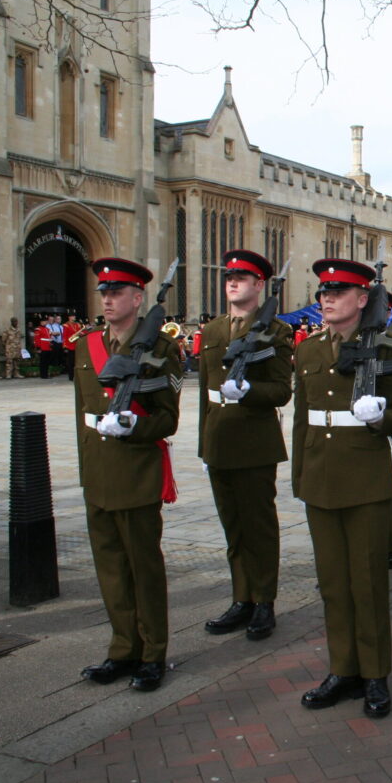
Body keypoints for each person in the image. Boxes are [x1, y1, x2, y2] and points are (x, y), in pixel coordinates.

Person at [292, 259, 392, 718]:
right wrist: (300, 476)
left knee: (367, 583)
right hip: (320, 480)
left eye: (339, 291)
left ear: (363, 299)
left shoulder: (387, 347)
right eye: (323, 290)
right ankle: (343, 669)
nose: (327, 297)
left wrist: (381, 416)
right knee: (333, 585)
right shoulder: (307, 350)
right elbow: (304, 420)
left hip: (366, 479)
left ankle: (376, 673)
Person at [75, 257, 181, 693]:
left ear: (138, 298)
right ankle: (123, 649)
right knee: (111, 570)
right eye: (104, 292)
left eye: (116, 292)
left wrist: (134, 426)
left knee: (143, 568)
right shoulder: (86, 346)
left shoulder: (161, 349)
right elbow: (81, 413)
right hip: (98, 473)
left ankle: (153, 653)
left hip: (137, 473)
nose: (107, 299)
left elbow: (167, 420)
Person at [198, 250, 294, 642]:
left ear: (259, 285)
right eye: (229, 276)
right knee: (232, 527)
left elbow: (281, 391)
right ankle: (242, 598)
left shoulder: (276, 331)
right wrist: (204, 444)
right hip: (219, 438)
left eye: (243, 277)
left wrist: (249, 390)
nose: (233, 282)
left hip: (254, 440)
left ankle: (265, 601)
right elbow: (204, 394)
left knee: (258, 526)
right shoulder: (213, 331)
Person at [64, 314, 83, 381]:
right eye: (72, 316)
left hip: (77, 345)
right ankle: (71, 376)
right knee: (71, 362)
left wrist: (82, 333)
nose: (74, 317)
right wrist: (65, 346)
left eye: (74, 316)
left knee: (77, 362)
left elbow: (82, 331)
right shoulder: (66, 325)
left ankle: (77, 376)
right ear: (69, 317)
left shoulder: (77, 324)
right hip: (70, 345)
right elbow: (64, 337)